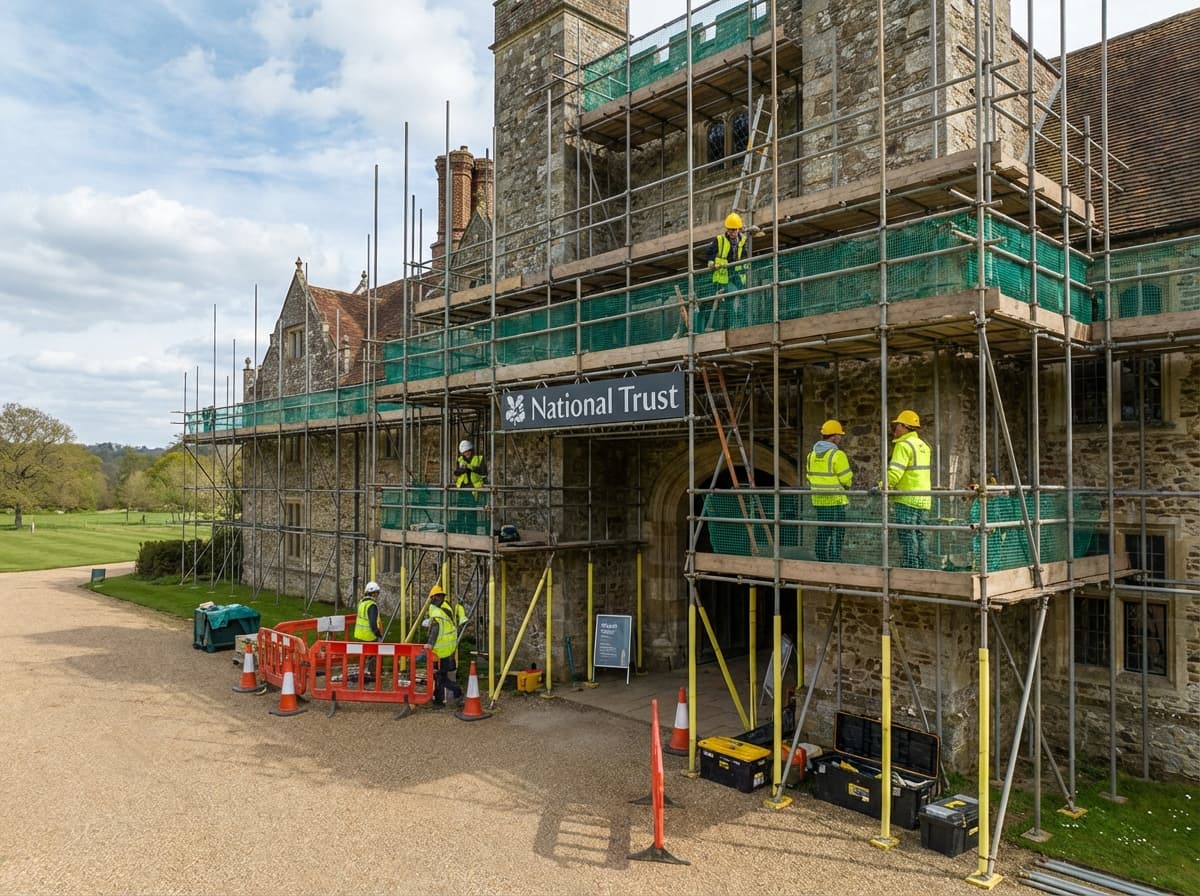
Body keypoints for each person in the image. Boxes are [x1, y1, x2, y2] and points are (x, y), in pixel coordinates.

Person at [886, 409, 932, 568]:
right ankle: (923, 566)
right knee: (921, 534)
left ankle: (910, 567)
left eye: (897, 426)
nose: (895, 429)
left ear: (904, 426)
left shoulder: (903, 445)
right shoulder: (923, 446)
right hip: (924, 499)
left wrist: (881, 486)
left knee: (907, 534)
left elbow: (895, 472)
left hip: (907, 499)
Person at [806, 419, 853, 562]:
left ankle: (820, 558)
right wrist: (847, 485)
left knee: (823, 531)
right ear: (834, 437)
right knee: (837, 531)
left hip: (819, 501)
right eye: (840, 435)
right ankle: (834, 559)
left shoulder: (811, 455)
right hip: (836, 500)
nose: (840, 438)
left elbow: (809, 477)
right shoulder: (837, 455)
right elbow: (846, 479)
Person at [703, 212, 748, 329]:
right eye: (729, 230)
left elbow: (745, 256)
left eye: (734, 230)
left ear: (738, 229)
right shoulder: (720, 240)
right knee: (730, 296)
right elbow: (709, 252)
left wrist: (745, 268)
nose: (731, 232)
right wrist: (710, 261)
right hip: (723, 275)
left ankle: (743, 322)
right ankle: (730, 325)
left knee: (745, 295)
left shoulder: (743, 241)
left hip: (736, 273)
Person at [424, 582, 467, 707]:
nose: (435, 599)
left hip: (440, 651)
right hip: (447, 648)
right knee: (438, 676)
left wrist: (429, 644)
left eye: (436, 597)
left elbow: (435, 629)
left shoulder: (437, 612)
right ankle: (438, 701)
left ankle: (456, 693)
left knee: (440, 677)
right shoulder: (446, 608)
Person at [352, 581, 383, 682]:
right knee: (372, 656)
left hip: (359, 634)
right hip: (369, 636)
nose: (378, 595)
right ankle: (372, 675)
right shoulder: (372, 605)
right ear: (373, 593)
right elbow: (373, 623)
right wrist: (378, 634)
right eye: (377, 592)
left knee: (362, 656)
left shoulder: (362, 603)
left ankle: (361, 674)